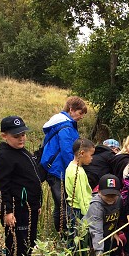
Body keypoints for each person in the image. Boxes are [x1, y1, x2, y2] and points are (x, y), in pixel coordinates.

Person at [0, 116, 43, 256]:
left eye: (23, 134)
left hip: (30, 208)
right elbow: (1, 186)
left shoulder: (21, 151)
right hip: (17, 210)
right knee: (17, 245)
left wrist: (37, 204)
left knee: (29, 241)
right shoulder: (3, 156)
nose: (21, 138)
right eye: (16, 136)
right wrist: (7, 211)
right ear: (4, 136)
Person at [39, 96, 87, 233]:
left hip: (58, 169)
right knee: (63, 204)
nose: (82, 116)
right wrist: (74, 169)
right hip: (57, 170)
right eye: (80, 113)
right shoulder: (65, 126)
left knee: (60, 204)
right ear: (71, 109)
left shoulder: (64, 124)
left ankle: (62, 233)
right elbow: (67, 151)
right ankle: (64, 235)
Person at [83, 174, 124, 256]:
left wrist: (114, 232)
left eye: (113, 195)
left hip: (108, 233)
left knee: (117, 246)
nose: (110, 199)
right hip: (91, 237)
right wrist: (99, 255)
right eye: (107, 195)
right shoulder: (96, 206)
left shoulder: (119, 200)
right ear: (99, 192)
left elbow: (116, 218)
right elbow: (96, 231)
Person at [64, 137, 95, 236]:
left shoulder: (70, 166)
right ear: (82, 153)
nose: (92, 158)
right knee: (78, 242)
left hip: (71, 208)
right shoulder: (78, 172)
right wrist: (89, 218)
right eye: (91, 155)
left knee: (72, 238)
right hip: (79, 212)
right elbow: (82, 197)